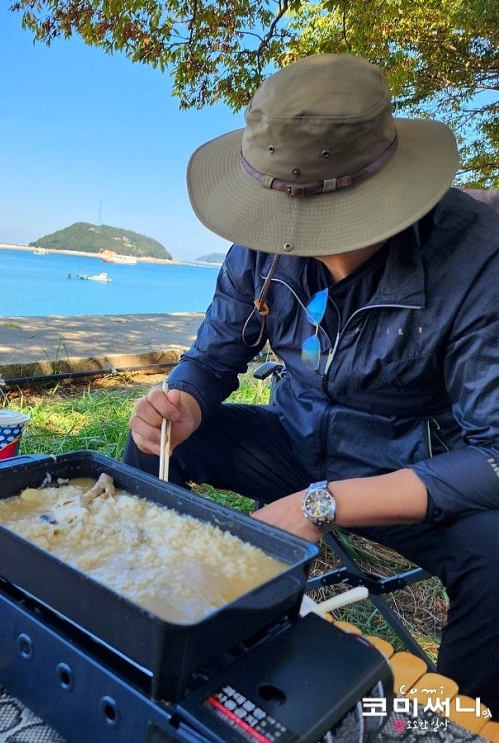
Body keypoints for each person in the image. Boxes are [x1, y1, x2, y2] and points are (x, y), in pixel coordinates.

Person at [124, 53, 499, 713]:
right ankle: (153, 629)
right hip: (294, 438)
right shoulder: (261, 234)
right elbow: (214, 357)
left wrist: (322, 503)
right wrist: (181, 401)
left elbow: (494, 455)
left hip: (407, 471)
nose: (292, 240)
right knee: (156, 447)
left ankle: (450, 722)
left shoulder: (476, 259)